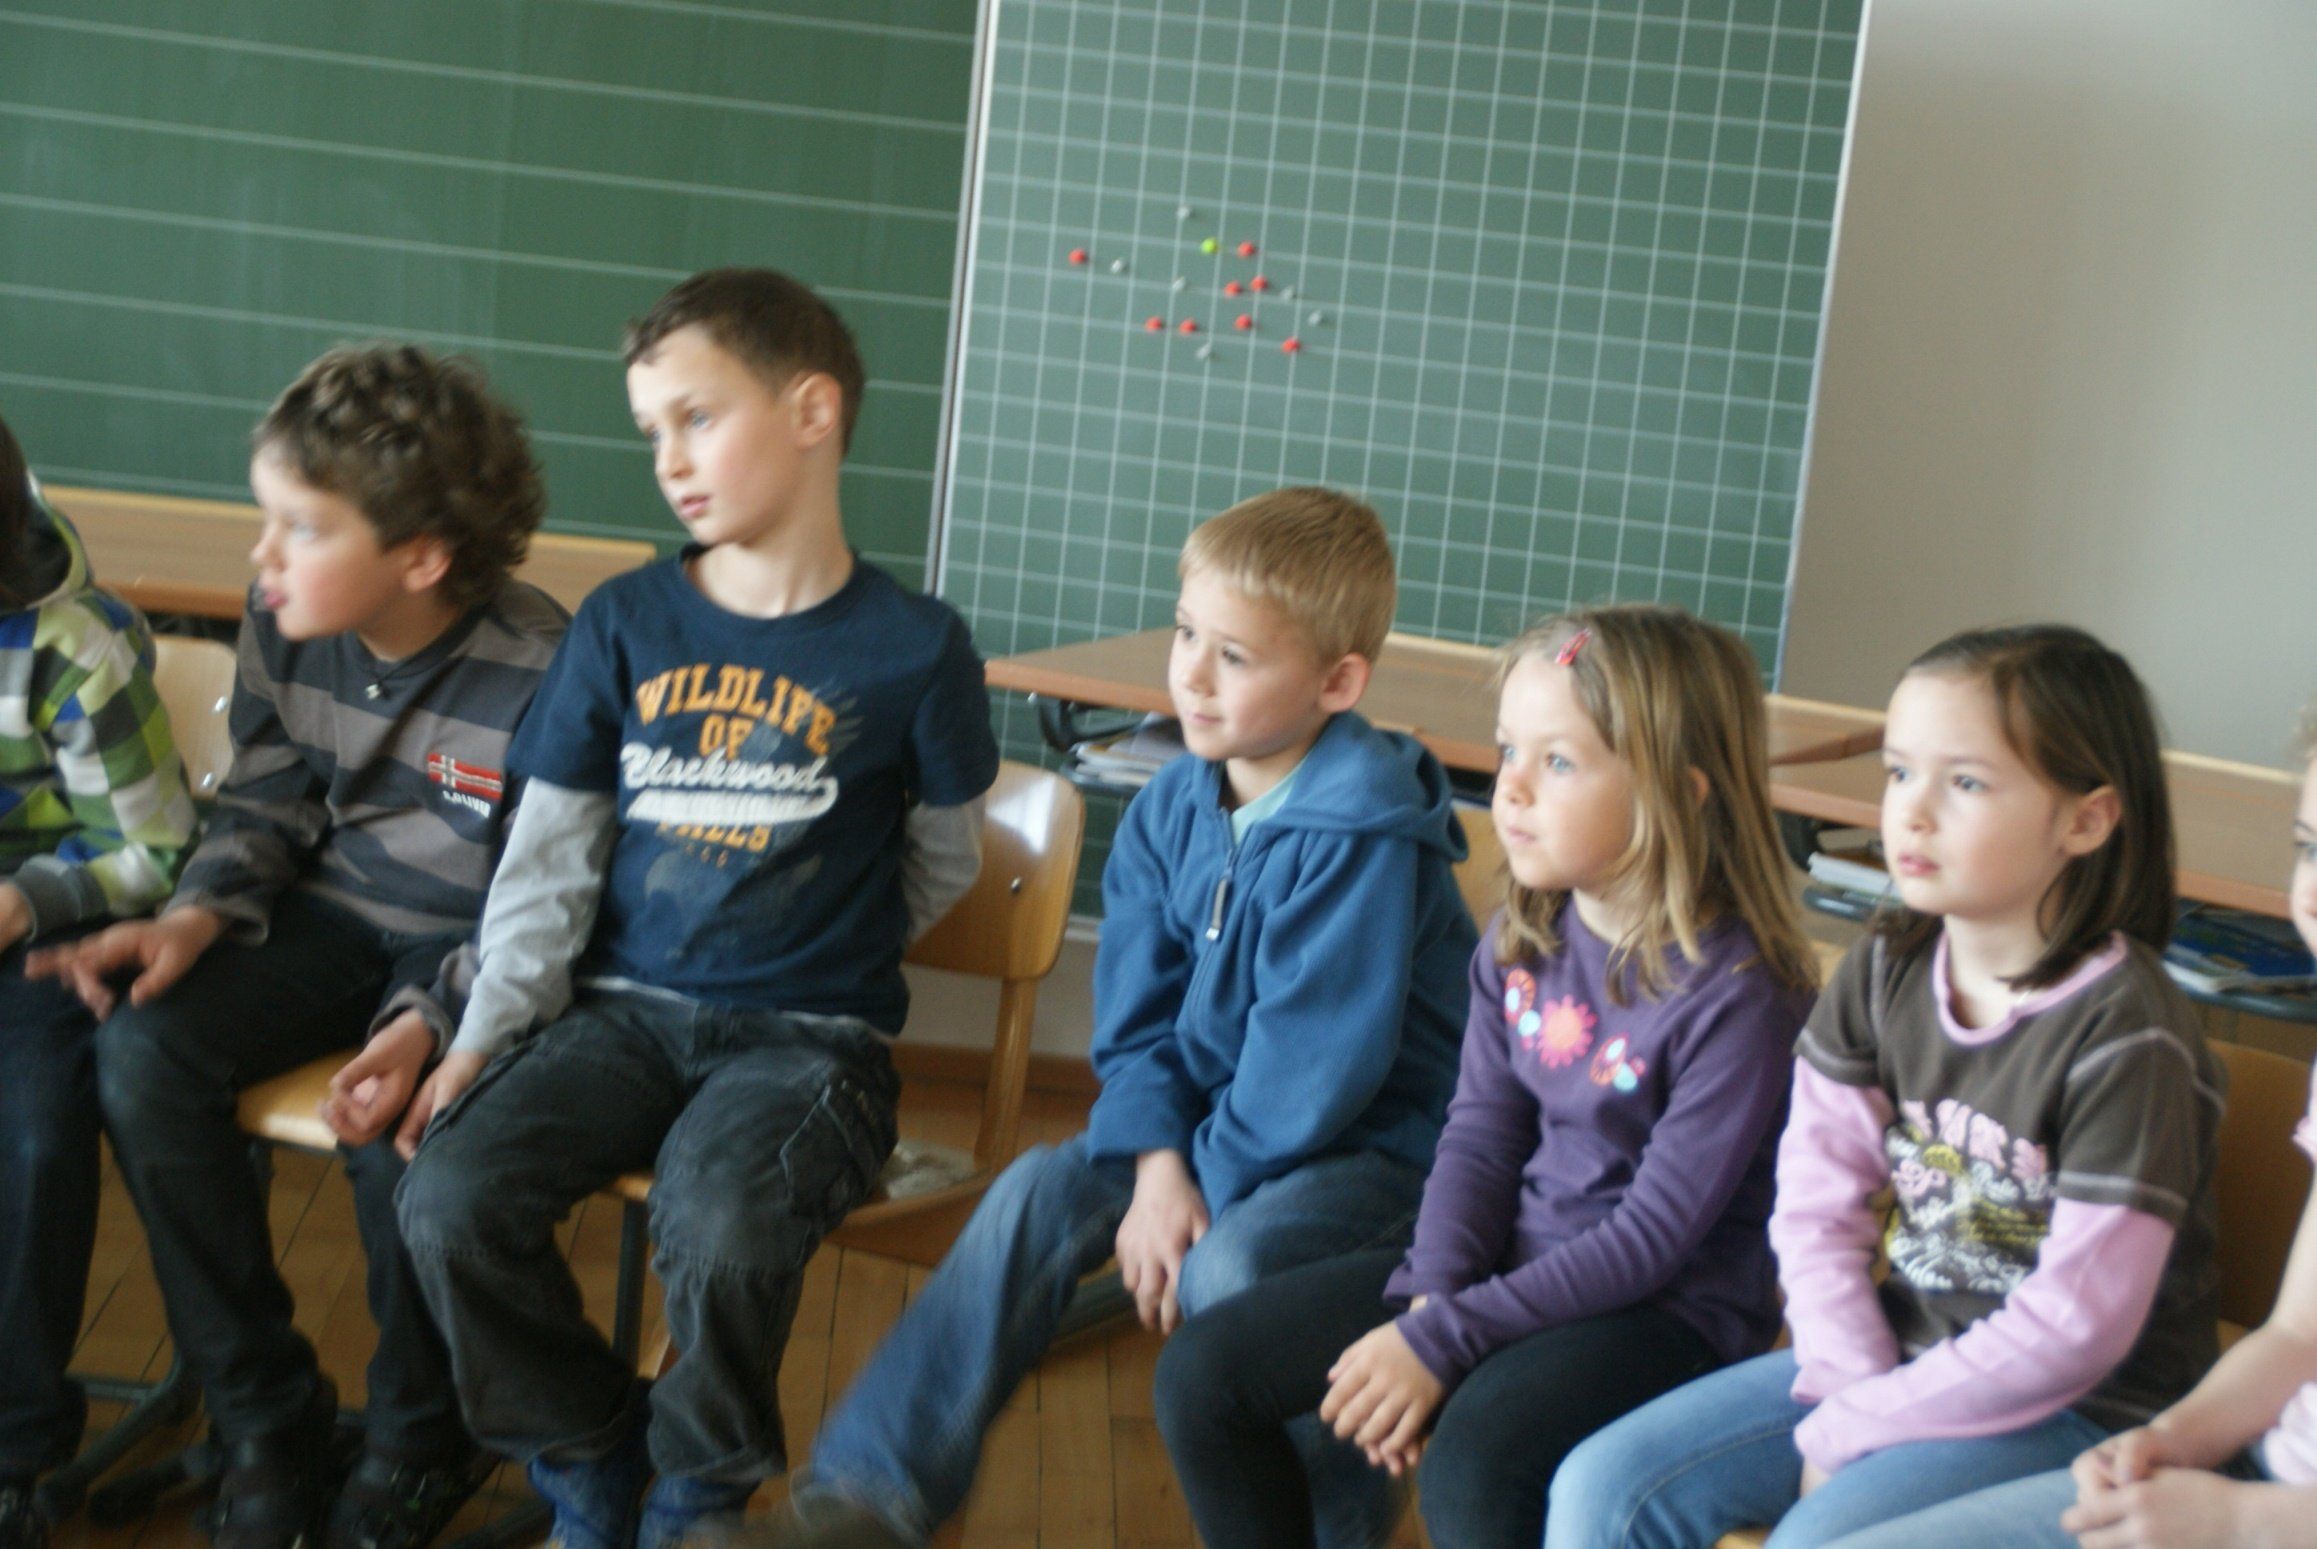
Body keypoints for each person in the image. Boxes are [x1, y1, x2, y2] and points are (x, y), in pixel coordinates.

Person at [391, 268, 1000, 1549]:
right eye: (651, 430)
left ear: (813, 410)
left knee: (723, 1220)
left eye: (697, 417)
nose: (668, 458)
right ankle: (589, 1457)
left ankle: (694, 1498)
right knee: (449, 1197)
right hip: (617, 1017)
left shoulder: (917, 646)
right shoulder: (625, 621)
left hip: (808, 1042)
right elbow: (549, 861)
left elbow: (943, 861)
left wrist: (828, 948)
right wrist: (484, 1035)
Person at [749, 485, 1479, 1549]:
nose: (1192, 673)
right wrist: (1156, 1169)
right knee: (1035, 1192)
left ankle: (1333, 1523)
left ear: (1337, 682)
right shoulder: (1171, 805)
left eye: (1234, 655)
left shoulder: (1357, 832)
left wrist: (1190, 1190)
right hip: (1221, 1132)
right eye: (1186, 634)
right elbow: (1137, 1025)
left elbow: (1312, 1076)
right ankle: (868, 1496)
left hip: (1378, 1156)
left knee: (1234, 1269)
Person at [31, 346, 564, 1549]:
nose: (262, 555)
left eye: (301, 527)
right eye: (265, 517)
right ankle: (264, 1415)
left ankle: (418, 1441)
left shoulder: (543, 670)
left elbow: (542, 908)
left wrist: (426, 1024)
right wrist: (194, 915)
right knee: (144, 1053)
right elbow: (268, 797)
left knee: (400, 1145)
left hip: (473, 956)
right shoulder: (288, 618)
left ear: (421, 557)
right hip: (331, 914)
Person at [1152, 604, 1822, 1549]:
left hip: (1660, 1317)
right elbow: (1478, 1137)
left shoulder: (1743, 993)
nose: (1510, 788)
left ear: (1678, 793)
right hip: (1507, 1272)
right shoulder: (1522, 940)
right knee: (1204, 1376)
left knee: (1475, 1459)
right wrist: (1435, 1296)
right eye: (1509, 750)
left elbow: (1650, 1240)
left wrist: (1446, 1336)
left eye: (1558, 762)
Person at [1546, 623, 2225, 1549]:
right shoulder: (1884, 965)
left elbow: (2075, 1328)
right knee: (1603, 1489)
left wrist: (1860, 1423)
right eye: (1900, 772)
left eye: (1965, 783)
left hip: (2085, 1412)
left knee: (1814, 1540)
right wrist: (1847, 1379)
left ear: (2084, 819)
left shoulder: (2129, 1032)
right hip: (1896, 1358)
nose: (1910, 812)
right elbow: (1814, 1204)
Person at [1818, 727, 2317, 1549]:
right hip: (2264, 1471)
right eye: (2308, 847)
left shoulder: (2126, 1028)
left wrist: (2243, 1524)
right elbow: (2299, 1333)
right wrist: (2171, 1439)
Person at [0, 414, 197, 1549]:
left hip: (45, 919)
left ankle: (17, 1442)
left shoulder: (75, 645)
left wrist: (23, 900)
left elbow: (155, 847)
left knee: (34, 1134)